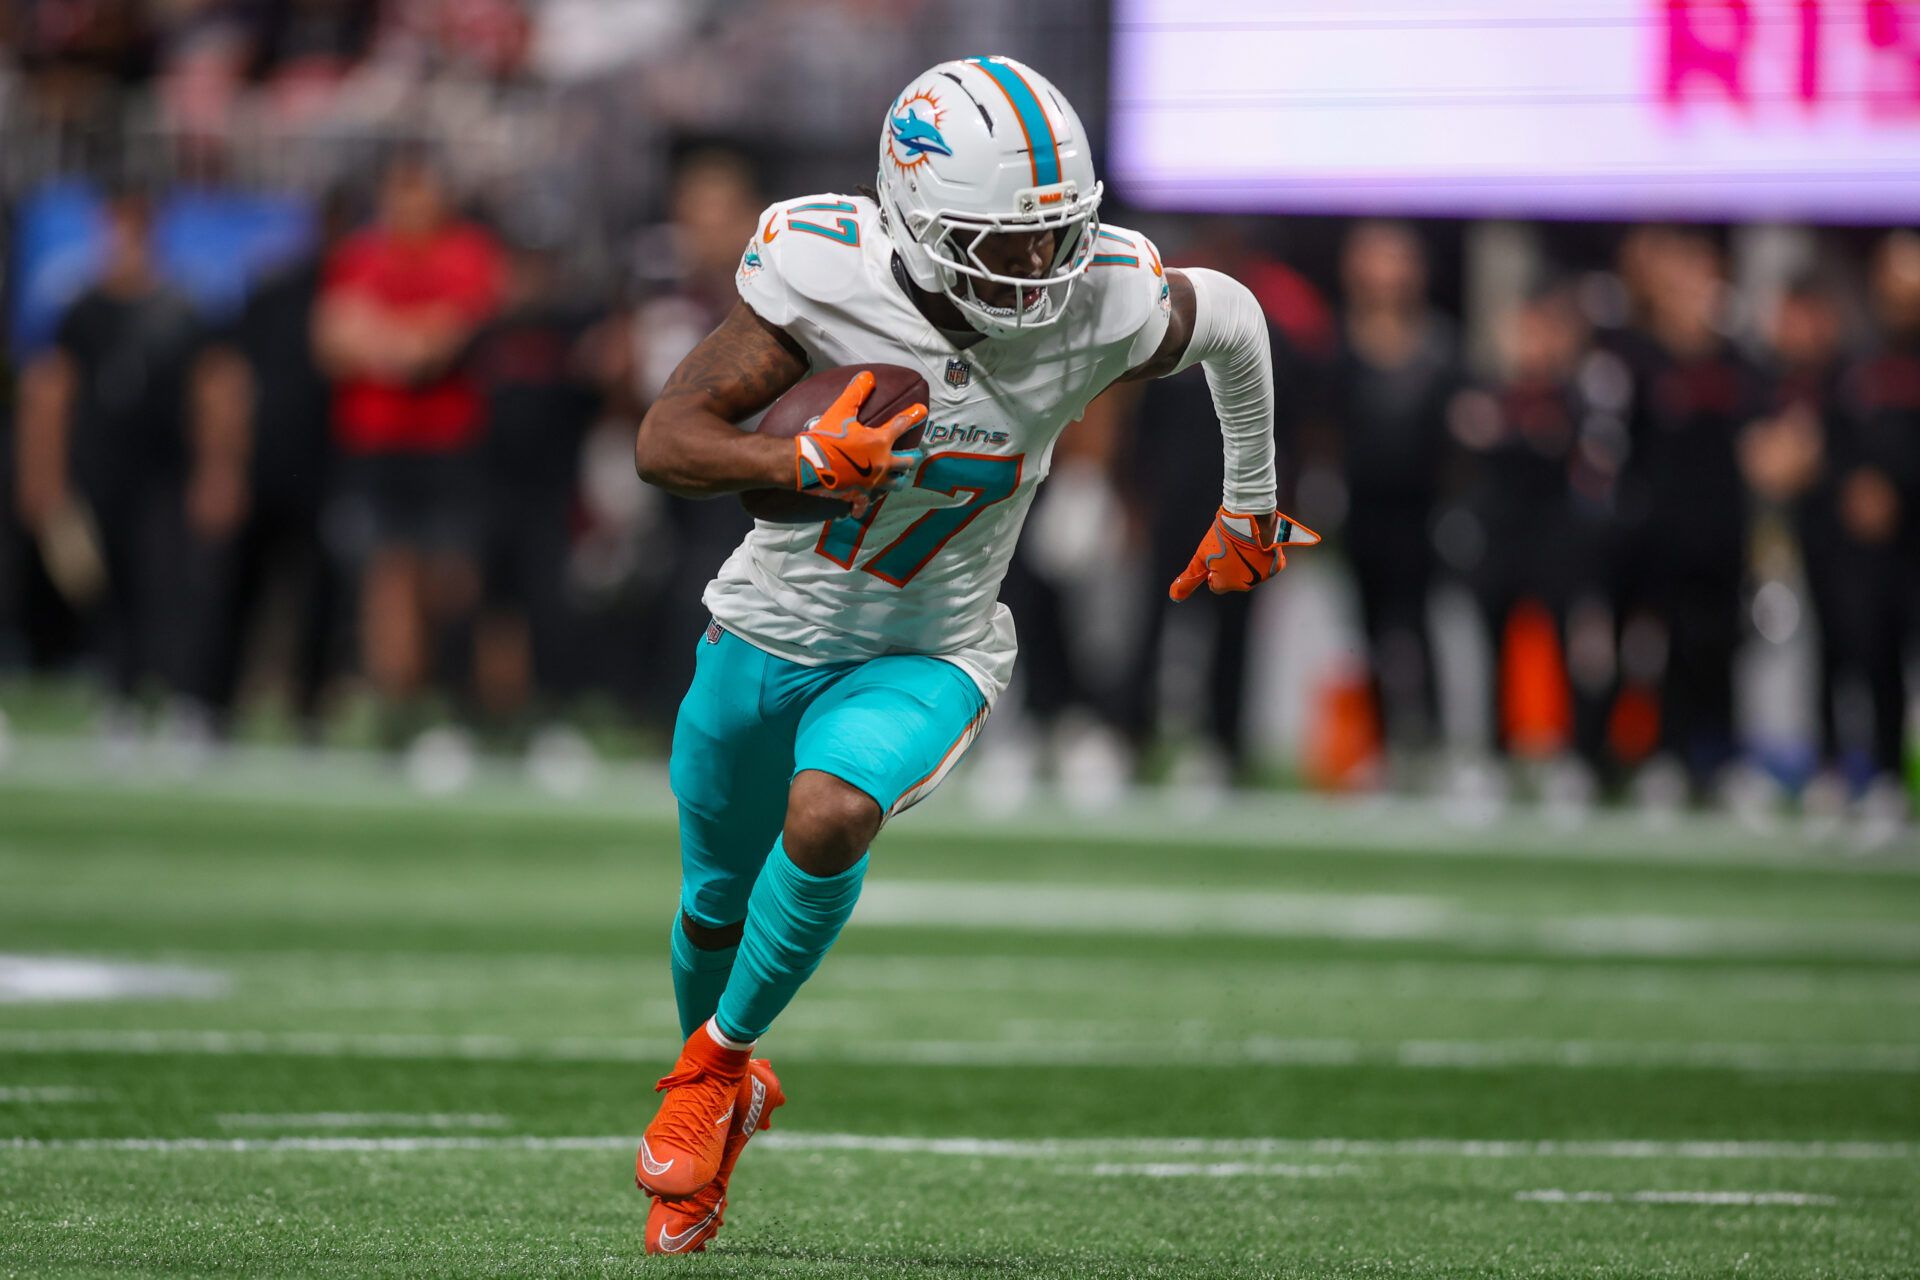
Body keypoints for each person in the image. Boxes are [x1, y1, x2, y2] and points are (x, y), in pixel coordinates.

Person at [626, 56, 1315, 1254]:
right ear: (913, 219)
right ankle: (722, 1082)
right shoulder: (821, 273)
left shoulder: (1099, 295)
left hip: (932, 645)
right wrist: (794, 465)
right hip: (764, 626)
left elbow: (1237, 321)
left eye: (1057, 240)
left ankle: (718, 1062)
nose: (1041, 273)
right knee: (711, 902)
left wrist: (1250, 499)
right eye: (1008, 244)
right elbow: (668, 438)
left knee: (832, 811)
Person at [313, 150, 503, 749]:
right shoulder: (359, 255)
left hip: (448, 445)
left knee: (449, 582)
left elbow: (440, 343)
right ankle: (397, 713)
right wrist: (404, 338)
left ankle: (450, 703)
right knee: (384, 578)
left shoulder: (468, 252)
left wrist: (379, 336)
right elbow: (331, 341)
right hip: (375, 446)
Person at [14, 187, 206, 750]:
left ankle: (179, 699)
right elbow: (50, 391)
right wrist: (42, 473)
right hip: (99, 467)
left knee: (170, 584)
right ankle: (116, 699)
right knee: (104, 586)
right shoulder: (81, 308)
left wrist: (217, 470)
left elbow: (212, 391)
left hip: (166, 468)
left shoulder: (180, 306)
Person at [182, 190, 352, 742]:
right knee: (237, 589)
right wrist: (220, 466)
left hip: (332, 467)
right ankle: (213, 708)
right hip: (265, 463)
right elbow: (225, 377)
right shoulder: (274, 290)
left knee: (322, 600)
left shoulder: (359, 292)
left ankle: (309, 714)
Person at [1328, 221, 1462, 780]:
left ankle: (1432, 743)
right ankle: (1376, 748)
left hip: (1422, 512)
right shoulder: (1337, 347)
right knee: (1366, 631)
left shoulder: (1438, 347)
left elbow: (1459, 439)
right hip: (1361, 509)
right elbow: (1320, 433)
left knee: (1421, 627)